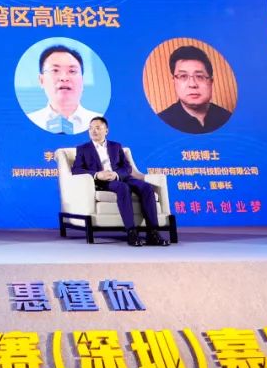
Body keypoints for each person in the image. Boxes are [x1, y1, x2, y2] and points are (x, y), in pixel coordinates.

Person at [72, 116, 169, 246]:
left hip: (121, 177)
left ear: (106, 130)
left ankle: (153, 233)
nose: (93, 131)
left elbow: (127, 167)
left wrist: (116, 174)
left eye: (98, 128)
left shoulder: (116, 146)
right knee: (123, 188)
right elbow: (76, 170)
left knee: (146, 187)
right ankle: (131, 232)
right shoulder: (83, 149)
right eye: (91, 128)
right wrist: (97, 175)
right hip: (103, 182)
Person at [27, 44, 101, 134]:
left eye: (72, 71)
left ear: (82, 81)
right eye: (55, 70)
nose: (64, 78)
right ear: (41, 80)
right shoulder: (30, 121)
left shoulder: (100, 122)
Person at [156, 45, 231, 134]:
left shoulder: (228, 118)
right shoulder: (160, 123)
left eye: (199, 76)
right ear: (174, 81)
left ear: (211, 82)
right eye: (183, 76)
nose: (192, 84)